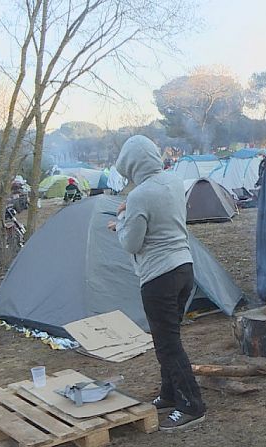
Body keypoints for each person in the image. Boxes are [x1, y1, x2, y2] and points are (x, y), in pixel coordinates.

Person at [107, 135, 206, 431]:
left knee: (167, 343)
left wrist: (121, 218)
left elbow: (132, 243)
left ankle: (192, 405)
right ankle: (169, 393)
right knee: (169, 336)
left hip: (158, 276)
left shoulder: (139, 196)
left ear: (132, 166)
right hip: (184, 268)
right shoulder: (174, 181)